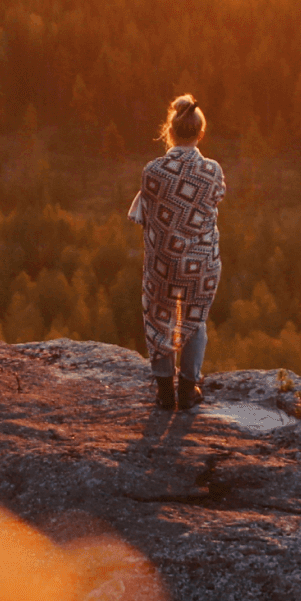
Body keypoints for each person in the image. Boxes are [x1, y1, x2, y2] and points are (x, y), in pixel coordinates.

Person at [126, 93, 226, 411]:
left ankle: (164, 392)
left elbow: (149, 211)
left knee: (159, 318)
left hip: (164, 261)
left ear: (170, 131)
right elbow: (216, 198)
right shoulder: (212, 170)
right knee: (195, 320)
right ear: (200, 133)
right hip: (201, 262)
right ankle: (187, 388)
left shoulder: (152, 171)